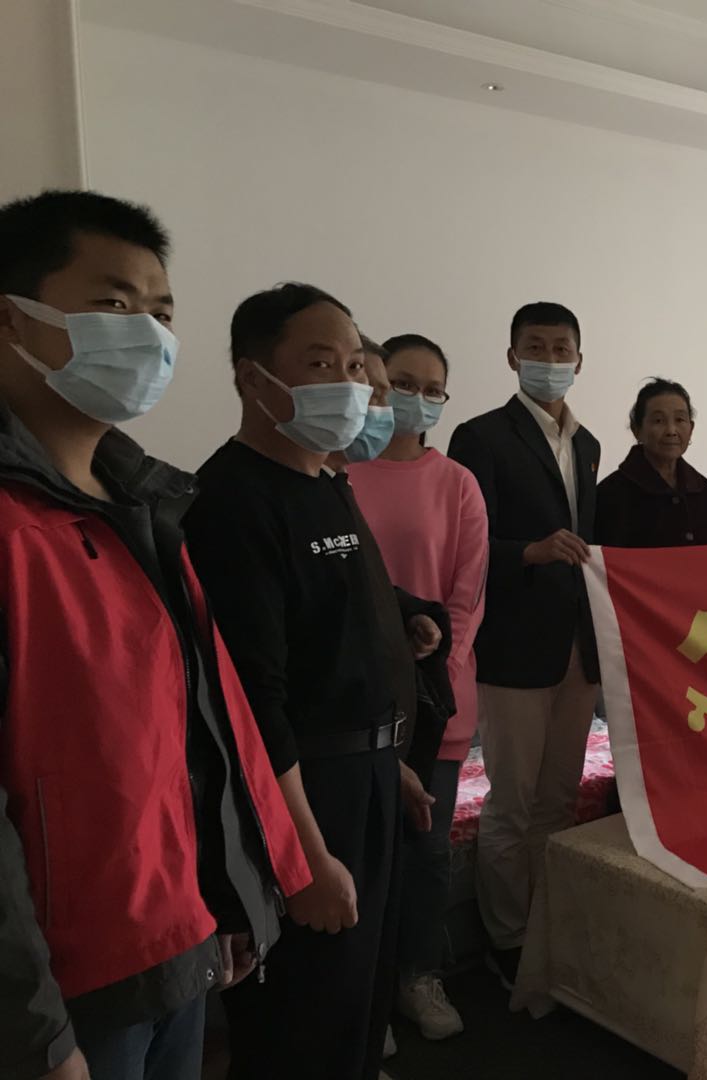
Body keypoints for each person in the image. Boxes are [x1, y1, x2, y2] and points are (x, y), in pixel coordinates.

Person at [0, 191, 310, 1080]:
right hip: (68, 989)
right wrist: (36, 1035)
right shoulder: (17, 530)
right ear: (12, 319)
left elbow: (203, 732)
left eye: (162, 312)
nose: (147, 333)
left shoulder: (145, 508)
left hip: (176, 939)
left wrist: (230, 899)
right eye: (113, 303)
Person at [183, 284, 436, 1080]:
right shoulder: (231, 500)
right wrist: (304, 858)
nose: (350, 383)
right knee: (303, 1019)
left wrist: (388, 764)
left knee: (358, 1005)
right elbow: (251, 702)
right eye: (321, 363)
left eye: (355, 364)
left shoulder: (326, 484)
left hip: (364, 780)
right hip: (301, 799)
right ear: (251, 376)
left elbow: (341, 643)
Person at [447, 301, 600, 987]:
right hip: (514, 647)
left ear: (579, 359)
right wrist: (529, 552)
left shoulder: (588, 445)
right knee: (510, 802)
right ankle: (507, 940)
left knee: (559, 801)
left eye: (561, 348)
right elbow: (468, 544)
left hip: (577, 646)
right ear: (512, 357)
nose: (549, 359)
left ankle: (548, 927)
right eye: (535, 347)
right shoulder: (480, 437)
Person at [349, 333, 488, 1041]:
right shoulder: (336, 473)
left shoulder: (457, 483)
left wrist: (440, 676)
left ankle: (417, 975)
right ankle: (365, 998)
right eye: (403, 383)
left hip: (436, 703)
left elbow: (466, 596)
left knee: (427, 851)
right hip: (353, 702)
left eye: (433, 389)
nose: (417, 399)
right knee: (360, 853)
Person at [595, 378, 707, 547]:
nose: (671, 431)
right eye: (658, 421)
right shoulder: (609, 495)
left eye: (680, 420)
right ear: (636, 429)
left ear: (691, 428)